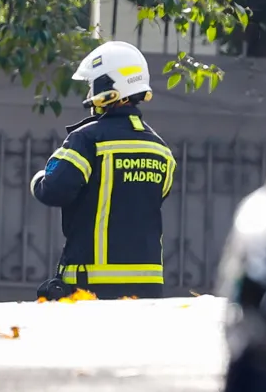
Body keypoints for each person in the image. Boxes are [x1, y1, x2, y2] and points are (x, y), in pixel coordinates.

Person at [30, 41, 176, 301]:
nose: (89, 90)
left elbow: (53, 190)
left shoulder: (87, 139)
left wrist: (38, 179)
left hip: (91, 289)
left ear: (109, 88)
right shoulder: (161, 150)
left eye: (93, 83)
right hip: (148, 293)